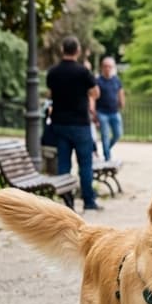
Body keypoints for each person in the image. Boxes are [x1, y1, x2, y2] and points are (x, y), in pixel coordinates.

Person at [46, 35, 102, 212]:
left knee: (64, 163)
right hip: (80, 123)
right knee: (85, 164)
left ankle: (67, 201)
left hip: (60, 123)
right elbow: (96, 92)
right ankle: (88, 201)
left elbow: (49, 93)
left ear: (62, 50)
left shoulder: (53, 72)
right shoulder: (82, 72)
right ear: (77, 51)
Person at [95, 56, 126, 164]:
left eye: (109, 66)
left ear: (112, 67)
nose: (107, 68)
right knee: (105, 135)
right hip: (102, 112)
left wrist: (122, 103)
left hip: (114, 111)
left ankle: (106, 149)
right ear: (102, 68)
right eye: (105, 66)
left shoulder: (116, 80)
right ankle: (107, 157)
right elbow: (93, 97)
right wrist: (94, 115)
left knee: (118, 134)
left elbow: (120, 92)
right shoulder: (98, 81)